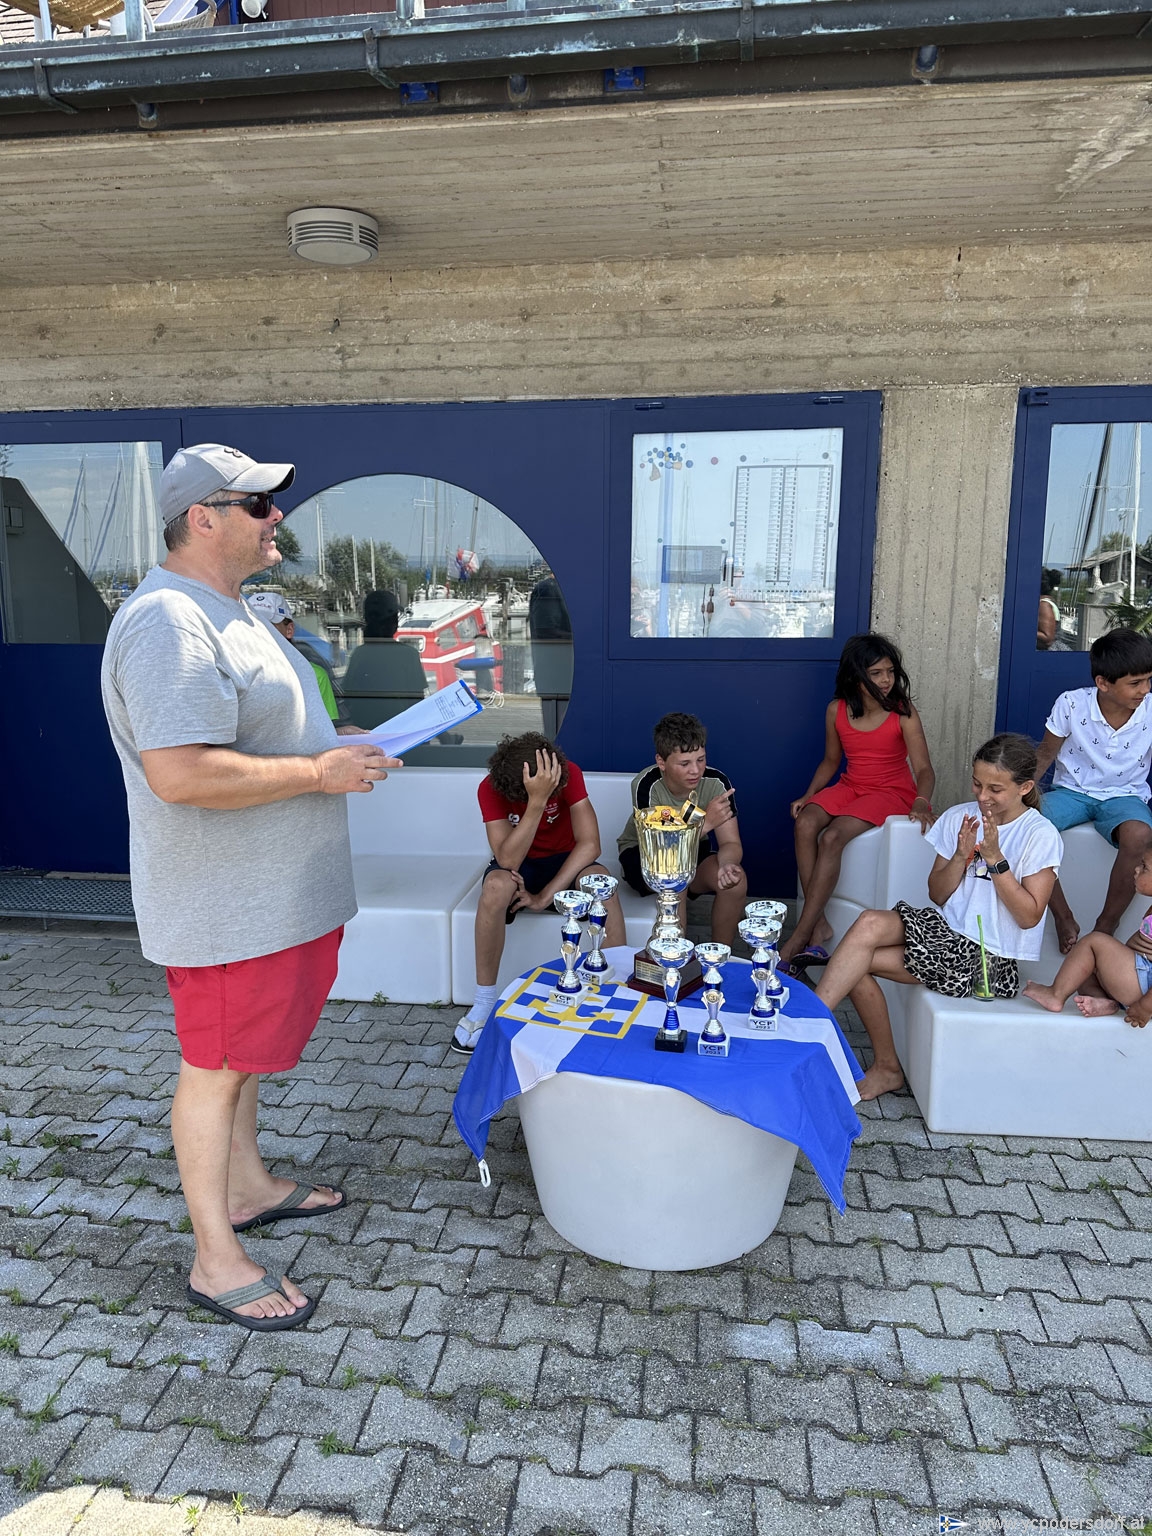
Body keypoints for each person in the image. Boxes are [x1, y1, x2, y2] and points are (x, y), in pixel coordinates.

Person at [100, 442, 397, 1332]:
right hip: (224, 906)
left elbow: (265, 733)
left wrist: (336, 744)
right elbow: (181, 772)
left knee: (243, 1060)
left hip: (269, 902)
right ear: (203, 518)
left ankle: (248, 1186)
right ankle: (214, 1257)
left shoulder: (230, 609)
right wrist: (317, 773)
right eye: (259, 505)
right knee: (215, 1070)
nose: (278, 518)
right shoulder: (167, 621)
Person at [815, 734, 1061, 1100]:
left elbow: (1029, 916)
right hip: (946, 932)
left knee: (853, 962)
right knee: (867, 925)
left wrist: (995, 859)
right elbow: (938, 893)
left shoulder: (1039, 834)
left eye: (995, 789)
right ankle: (823, 1031)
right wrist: (961, 856)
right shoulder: (960, 816)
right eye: (977, 784)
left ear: (1025, 787)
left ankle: (824, 1039)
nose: (982, 796)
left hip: (988, 960)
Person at [453, 731, 625, 1055]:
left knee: (601, 882)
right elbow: (507, 859)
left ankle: (617, 988)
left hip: (566, 862)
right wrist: (537, 802)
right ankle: (483, 1003)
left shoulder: (569, 772)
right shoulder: (490, 787)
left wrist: (545, 897)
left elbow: (590, 844)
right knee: (495, 886)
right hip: (522, 863)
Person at [781, 633, 935, 967]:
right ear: (855, 676)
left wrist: (922, 801)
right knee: (805, 822)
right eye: (876, 673)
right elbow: (830, 762)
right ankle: (819, 924)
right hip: (852, 785)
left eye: (890, 672)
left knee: (832, 837)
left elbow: (924, 769)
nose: (886, 680)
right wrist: (809, 795)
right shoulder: (836, 710)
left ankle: (799, 935)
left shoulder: (903, 712)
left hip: (891, 792)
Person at [1033, 626, 1152, 953]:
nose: (1145, 690)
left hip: (1126, 795)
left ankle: (1105, 927)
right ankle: (1062, 916)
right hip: (1071, 791)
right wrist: (1020, 799)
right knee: (1027, 824)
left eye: (1148, 680)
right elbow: (1045, 754)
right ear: (1103, 683)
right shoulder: (1071, 704)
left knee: (1139, 834)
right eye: (1135, 683)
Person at [617, 712, 747, 946]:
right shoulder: (647, 784)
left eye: (701, 759)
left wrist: (727, 864)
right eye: (685, 763)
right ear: (662, 762)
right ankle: (676, 955)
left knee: (736, 881)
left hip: (694, 852)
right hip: (644, 857)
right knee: (674, 876)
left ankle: (719, 955)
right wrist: (707, 822)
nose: (695, 770)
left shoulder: (716, 782)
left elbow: (731, 843)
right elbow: (664, 848)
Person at [1024, 850, 1152, 1026]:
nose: (1136, 869)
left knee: (1094, 942)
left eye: (1145, 867)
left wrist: (1146, 1006)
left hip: (1143, 988)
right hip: (1136, 983)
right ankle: (1101, 1000)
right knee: (1082, 968)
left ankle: (1055, 995)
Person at [245, 590, 355, 730]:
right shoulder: (231, 675)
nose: (258, 633)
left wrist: (342, 731)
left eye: (267, 626)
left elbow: (327, 730)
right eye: (250, 625)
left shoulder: (314, 675)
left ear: (289, 630)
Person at [342, 589, 427, 728]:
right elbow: (417, 705)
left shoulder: (359, 654)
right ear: (393, 621)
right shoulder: (408, 654)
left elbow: (347, 698)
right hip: (400, 731)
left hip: (365, 732)